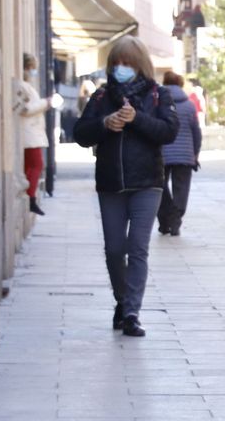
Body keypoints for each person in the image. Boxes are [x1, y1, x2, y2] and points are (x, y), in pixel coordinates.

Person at [72, 37, 179, 338]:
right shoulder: (102, 96)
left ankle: (131, 312)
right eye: (116, 63)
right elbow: (80, 133)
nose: (121, 68)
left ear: (140, 65)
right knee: (114, 249)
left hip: (147, 183)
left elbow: (168, 132)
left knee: (138, 248)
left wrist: (137, 119)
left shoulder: (158, 95)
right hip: (110, 183)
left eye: (127, 63)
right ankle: (122, 300)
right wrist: (105, 123)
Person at [157, 70, 203, 237]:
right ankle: (175, 218)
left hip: (162, 153)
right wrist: (195, 152)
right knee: (181, 188)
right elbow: (196, 132)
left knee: (160, 187)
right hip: (185, 154)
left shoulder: (158, 104)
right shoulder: (189, 105)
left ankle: (165, 220)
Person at [13, 53, 53, 215]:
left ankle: (30, 196)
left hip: (33, 132)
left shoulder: (26, 85)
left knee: (32, 165)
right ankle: (30, 197)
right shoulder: (21, 86)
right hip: (28, 133)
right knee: (36, 164)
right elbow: (25, 109)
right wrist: (46, 103)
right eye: (31, 69)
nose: (33, 72)